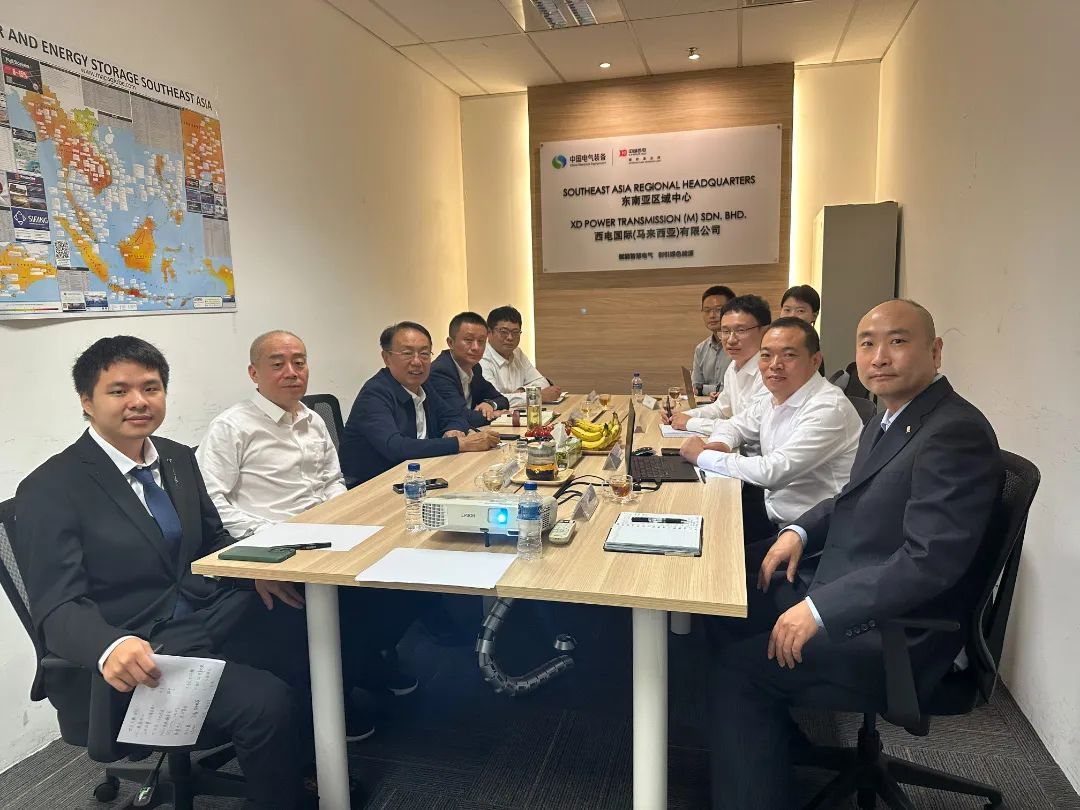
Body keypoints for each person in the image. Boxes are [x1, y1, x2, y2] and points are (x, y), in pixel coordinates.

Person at [706, 300, 1003, 809]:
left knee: (738, 672)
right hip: (852, 579)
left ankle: (755, 760)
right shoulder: (894, 417)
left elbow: (928, 562)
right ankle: (766, 744)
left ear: (935, 351)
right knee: (726, 596)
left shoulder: (954, 432)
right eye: (867, 343)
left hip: (899, 631)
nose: (879, 356)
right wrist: (800, 531)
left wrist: (819, 609)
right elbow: (850, 498)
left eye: (898, 341)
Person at [14, 336, 319, 809]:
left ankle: (300, 772)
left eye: (151, 388)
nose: (139, 401)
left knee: (313, 638)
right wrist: (109, 646)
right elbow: (58, 608)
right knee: (265, 702)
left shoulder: (176, 458)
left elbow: (212, 540)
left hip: (205, 616)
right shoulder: (50, 487)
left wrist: (253, 570)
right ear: (86, 401)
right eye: (119, 391)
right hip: (141, 647)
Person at [196, 330, 423, 729]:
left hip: (327, 534)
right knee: (351, 605)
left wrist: (340, 515)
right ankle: (330, 702)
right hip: (273, 547)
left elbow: (332, 480)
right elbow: (211, 502)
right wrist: (271, 536)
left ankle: (361, 666)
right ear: (254, 373)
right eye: (278, 364)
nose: (291, 372)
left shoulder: (312, 419)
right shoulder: (232, 427)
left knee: (405, 579)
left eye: (299, 362)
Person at [679, 318, 861, 541]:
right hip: (772, 510)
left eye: (789, 355)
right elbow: (735, 425)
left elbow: (773, 472)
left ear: (815, 361)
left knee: (710, 548)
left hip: (811, 532)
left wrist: (702, 456)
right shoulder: (777, 395)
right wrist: (720, 444)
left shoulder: (827, 407)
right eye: (766, 355)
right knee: (694, 521)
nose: (775, 364)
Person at [340, 321, 499, 485]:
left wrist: (453, 429)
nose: (417, 362)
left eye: (424, 354)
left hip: (421, 475)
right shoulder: (375, 394)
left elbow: (454, 415)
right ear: (386, 358)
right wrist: (460, 443)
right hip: (376, 484)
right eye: (407, 353)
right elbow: (396, 447)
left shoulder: (424, 385)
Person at [663, 294, 771, 434]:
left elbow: (750, 427)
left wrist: (690, 422)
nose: (731, 340)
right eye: (725, 331)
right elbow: (721, 408)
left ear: (765, 331)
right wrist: (683, 416)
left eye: (740, 330)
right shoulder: (733, 367)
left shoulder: (771, 371)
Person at [428, 311, 510, 428]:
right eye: (468, 340)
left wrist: (490, 404)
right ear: (450, 343)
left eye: (481, 341)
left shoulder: (475, 368)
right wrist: (496, 415)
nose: (476, 347)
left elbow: (502, 399)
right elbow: (461, 417)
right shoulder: (440, 371)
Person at [480, 305, 561, 406]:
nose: (510, 337)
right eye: (504, 332)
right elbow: (494, 400)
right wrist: (536, 396)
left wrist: (521, 390)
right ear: (488, 332)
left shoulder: (517, 353)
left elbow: (542, 381)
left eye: (515, 332)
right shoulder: (481, 358)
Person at [692, 285, 736, 396]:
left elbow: (737, 388)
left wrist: (703, 389)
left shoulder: (739, 345)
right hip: (707, 405)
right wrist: (701, 389)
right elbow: (695, 387)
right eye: (707, 310)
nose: (712, 315)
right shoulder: (701, 349)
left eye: (718, 310)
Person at [781, 284, 825, 376]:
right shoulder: (772, 339)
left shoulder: (812, 346)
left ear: (814, 315)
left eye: (800, 311)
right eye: (787, 310)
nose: (792, 315)